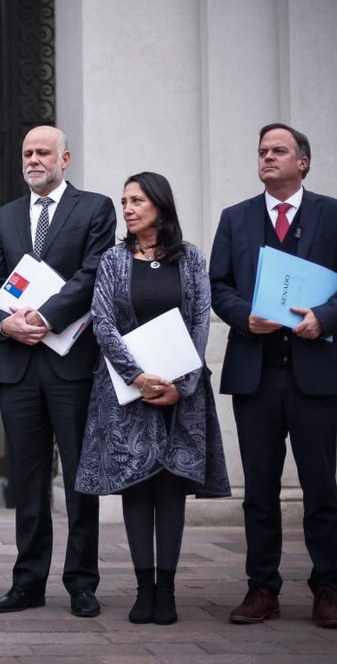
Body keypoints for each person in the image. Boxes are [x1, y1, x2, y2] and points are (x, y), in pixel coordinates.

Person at [210, 123, 337, 629]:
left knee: (320, 486)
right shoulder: (235, 218)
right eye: (261, 151)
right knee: (259, 489)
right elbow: (219, 285)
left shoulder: (335, 214)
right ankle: (262, 589)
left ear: (303, 161)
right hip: (256, 375)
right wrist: (244, 316)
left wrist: (324, 317)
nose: (267, 157)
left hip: (315, 374)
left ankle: (327, 589)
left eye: (278, 150)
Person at [75, 172, 230, 625]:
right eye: (124, 201)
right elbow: (102, 322)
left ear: (160, 205)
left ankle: (168, 590)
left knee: (171, 488)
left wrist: (180, 382)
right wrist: (139, 377)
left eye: (137, 200)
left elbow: (201, 318)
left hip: (180, 395)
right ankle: (144, 589)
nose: (128, 208)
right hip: (127, 393)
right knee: (137, 486)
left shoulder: (192, 258)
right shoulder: (113, 259)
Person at [0, 125, 116, 617]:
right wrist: (6, 323)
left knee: (81, 477)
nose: (33, 159)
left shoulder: (95, 208)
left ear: (65, 159)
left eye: (43, 152)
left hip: (71, 366)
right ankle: (28, 582)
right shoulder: (6, 215)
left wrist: (45, 315)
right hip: (19, 368)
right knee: (27, 479)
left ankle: (82, 582)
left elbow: (94, 271)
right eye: (27, 153)